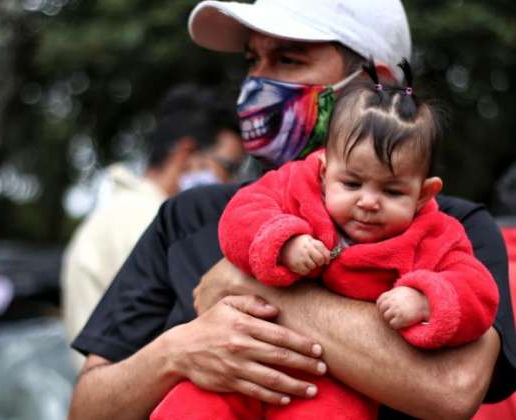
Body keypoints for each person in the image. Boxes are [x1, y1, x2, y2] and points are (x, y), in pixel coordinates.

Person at [68, 0, 516, 419]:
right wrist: (175, 353)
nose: (257, 83)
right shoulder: (191, 216)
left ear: (376, 81)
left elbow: (454, 390)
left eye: (288, 60)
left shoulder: (450, 227)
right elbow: (87, 405)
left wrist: (255, 285)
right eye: (252, 60)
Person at [151, 63, 499, 419]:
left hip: (330, 382)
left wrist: (426, 300)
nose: (368, 201)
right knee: (189, 406)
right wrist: (283, 242)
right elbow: (240, 216)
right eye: (351, 184)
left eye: (392, 191)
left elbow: (478, 292)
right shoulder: (295, 186)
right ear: (323, 170)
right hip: (242, 361)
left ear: (424, 194)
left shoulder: (436, 234)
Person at [61, 84, 244, 368]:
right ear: (186, 154)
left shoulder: (117, 214)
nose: (232, 184)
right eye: (229, 167)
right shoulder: (148, 225)